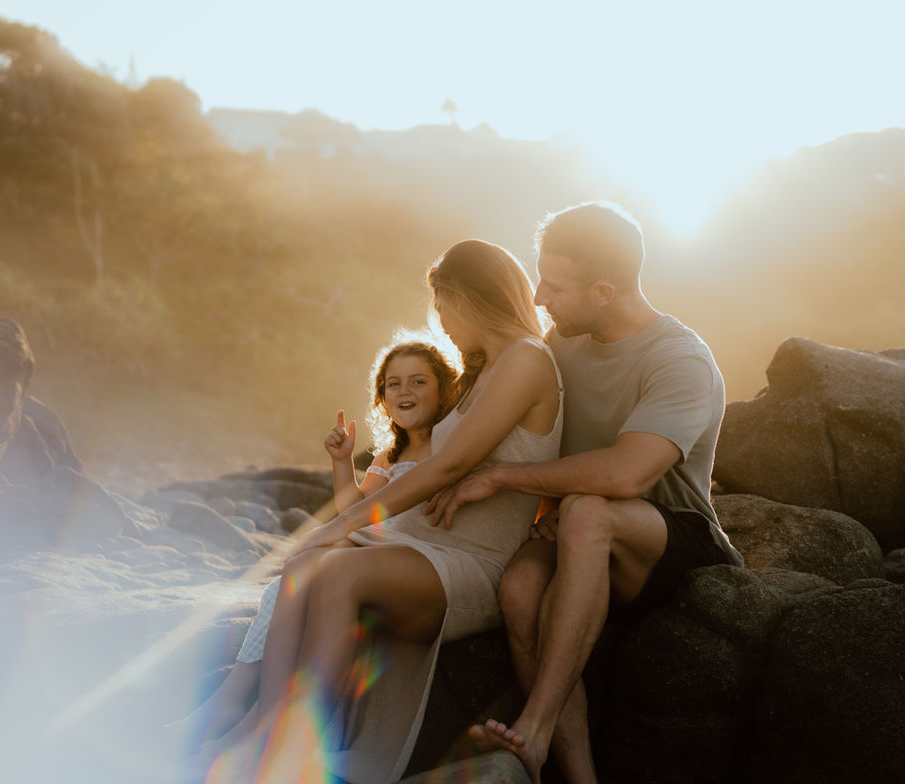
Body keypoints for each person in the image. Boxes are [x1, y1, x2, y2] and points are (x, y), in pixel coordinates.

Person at [205, 239, 564, 784]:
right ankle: (270, 729)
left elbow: (448, 467)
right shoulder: (483, 369)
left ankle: (302, 746)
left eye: (443, 307)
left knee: (336, 566)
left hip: (471, 559)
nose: (442, 323)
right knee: (302, 569)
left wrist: (341, 525)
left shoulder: (527, 359)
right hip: (417, 545)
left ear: (465, 298)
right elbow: (423, 459)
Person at [427, 201, 744, 784]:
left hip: (670, 538)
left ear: (603, 291)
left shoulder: (680, 359)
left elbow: (627, 475)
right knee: (521, 587)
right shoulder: (563, 346)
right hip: (574, 523)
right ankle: (579, 772)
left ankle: (536, 727)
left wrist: (504, 478)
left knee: (589, 510)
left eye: (554, 286)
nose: (540, 298)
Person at [184, 339, 457, 744]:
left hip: (396, 563)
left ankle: (243, 708)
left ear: (443, 390)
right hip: (367, 550)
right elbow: (355, 508)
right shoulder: (387, 458)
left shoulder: (451, 448)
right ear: (382, 397)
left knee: (299, 577)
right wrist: (343, 461)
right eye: (393, 384)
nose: (404, 391)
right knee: (283, 586)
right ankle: (240, 701)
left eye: (418, 381)